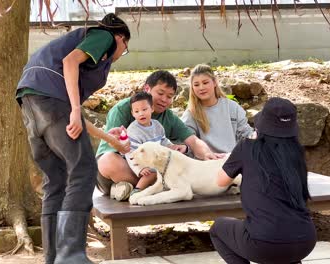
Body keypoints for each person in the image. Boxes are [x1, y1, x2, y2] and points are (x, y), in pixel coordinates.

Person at [16, 13, 130, 264]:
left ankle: (54, 258)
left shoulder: (54, 70)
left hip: (32, 107)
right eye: (126, 49)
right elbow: (70, 64)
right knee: (84, 169)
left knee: (55, 180)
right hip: (51, 103)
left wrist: (109, 139)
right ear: (121, 38)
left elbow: (68, 121)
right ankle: (71, 255)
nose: (121, 53)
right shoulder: (105, 36)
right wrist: (77, 110)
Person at [210, 97, 317, 264]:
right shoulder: (296, 152)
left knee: (218, 228)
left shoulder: (247, 147)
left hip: (263, 243)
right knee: (286, 250)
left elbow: (221, 181)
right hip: (305, 241)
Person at [96, 70, 224, 199]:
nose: (164, 100)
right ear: (147, 89)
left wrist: (207, 154)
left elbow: (193, 141)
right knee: (108, 161)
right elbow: (112, 147)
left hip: (151, 172)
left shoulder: (167, 117)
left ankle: (127, 189)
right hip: (121, 168)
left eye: (169, 96)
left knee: (173, 160)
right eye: (160, 93)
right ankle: (150, 188)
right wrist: (119, 140)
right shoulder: (122, 109)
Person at [109, 91, 187, 201]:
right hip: (141, 162)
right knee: (151, 174)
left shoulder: (157, 126)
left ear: (152, 109)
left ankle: (170, 189)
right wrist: (140, 168)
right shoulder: (134, 130)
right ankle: (136, 191)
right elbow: (131, 153)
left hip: (155, 160)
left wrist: (172, 147)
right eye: (137, 111)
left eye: (144, 109)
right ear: (132, 113)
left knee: (171, 168)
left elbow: (163, 141)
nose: (141, 113)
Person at [181, 64, 254, 153]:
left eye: (205, 83)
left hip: (232, 161)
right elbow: (188, 143)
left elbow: (245, 133)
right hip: (206, 163)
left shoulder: (232, 107)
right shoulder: (191, 113)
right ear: (192, 87)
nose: (201, 88)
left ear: (215, 82)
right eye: (196, 85)